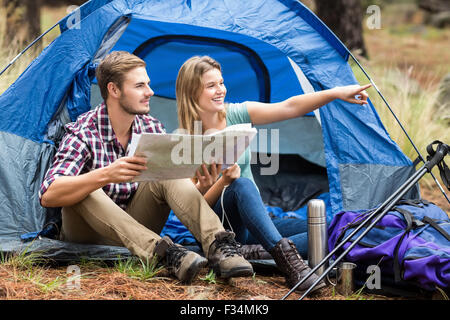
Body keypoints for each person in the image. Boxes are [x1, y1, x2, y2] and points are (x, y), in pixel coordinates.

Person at [39, 51, 255, 284]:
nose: (150, 92)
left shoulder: (151, 127)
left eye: (148, 84)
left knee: (167, 173)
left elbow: (176, 195)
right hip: (87, 233)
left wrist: (204, 185)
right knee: (86, 185)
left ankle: (219, 245)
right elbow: (49, 194)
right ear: (114, 90)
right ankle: (164, 254)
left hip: (138, 223)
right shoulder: (82, 132)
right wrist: (104, 175)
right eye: (140, 85)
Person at [175, 55, 371, 292]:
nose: (221, 90)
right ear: (192, 91)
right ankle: (290, 265)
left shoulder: (235, 114)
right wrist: (221, 183)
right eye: (211, 85)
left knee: (328, 231)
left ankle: (254, 252)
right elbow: (192, 212)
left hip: (251, 223)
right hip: (217, 230)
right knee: (242, 185)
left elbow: (289, 107)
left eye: (221, 82)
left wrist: (335, 93)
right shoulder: (183, 139)